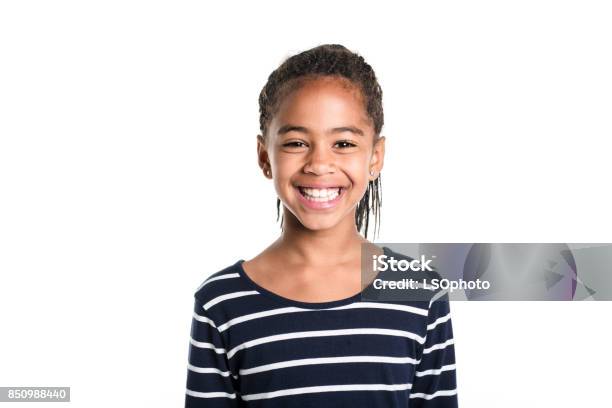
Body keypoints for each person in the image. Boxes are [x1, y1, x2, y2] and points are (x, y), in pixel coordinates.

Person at [184, 44, 458, 407]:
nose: (319, 163)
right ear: (265, 157)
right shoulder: (220, 303)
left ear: (375, 157)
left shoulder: (420, 292)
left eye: (343, 143)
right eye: (297, 142)